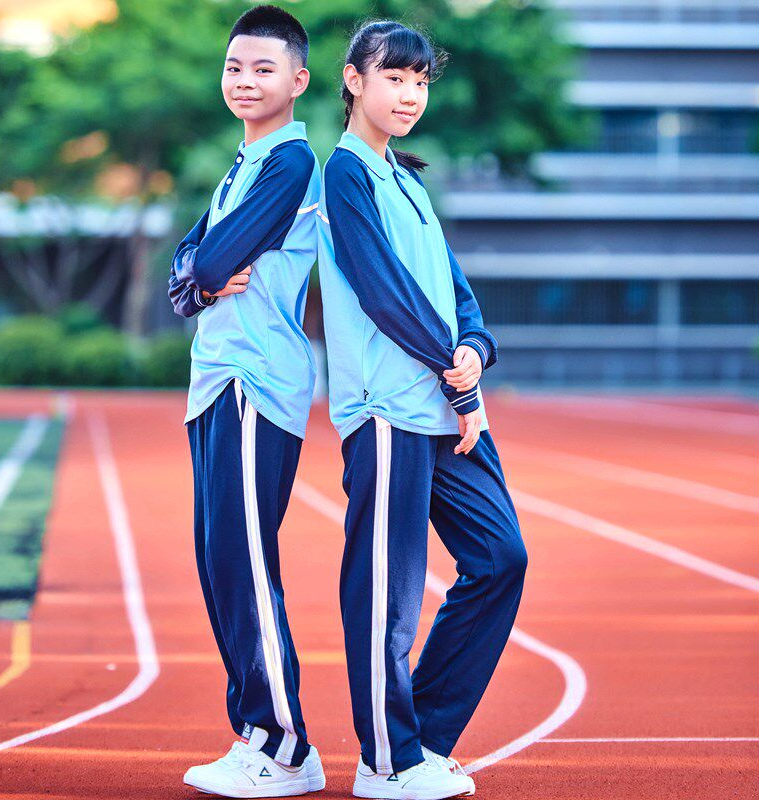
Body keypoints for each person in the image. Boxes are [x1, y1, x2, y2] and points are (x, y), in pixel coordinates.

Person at [316, 20, 529, 800]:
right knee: (389, 593)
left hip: (439, 408)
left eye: (420, 81)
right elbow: (384, 293)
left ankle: (424, 739)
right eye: (394, 78)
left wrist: (475, 345)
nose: (409, 94)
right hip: (387, 413)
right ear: (352, 81)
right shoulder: (344, 175)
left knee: (501, 559)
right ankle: (385, 760)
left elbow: (454, 294)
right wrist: (460, 379)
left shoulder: (406, 179)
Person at [168, 5, 325, 797]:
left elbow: (213, 258)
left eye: (263, 68)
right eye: (234, 67)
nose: (244, 80)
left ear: (298, 80)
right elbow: (187, 266)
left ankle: (284, 743)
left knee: (246, 558)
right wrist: (196, 269)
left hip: (255, 382)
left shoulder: (292, 163)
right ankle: (260, 733)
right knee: (220, 561)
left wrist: (200, 267)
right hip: (216, 380)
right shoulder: (241, 164)